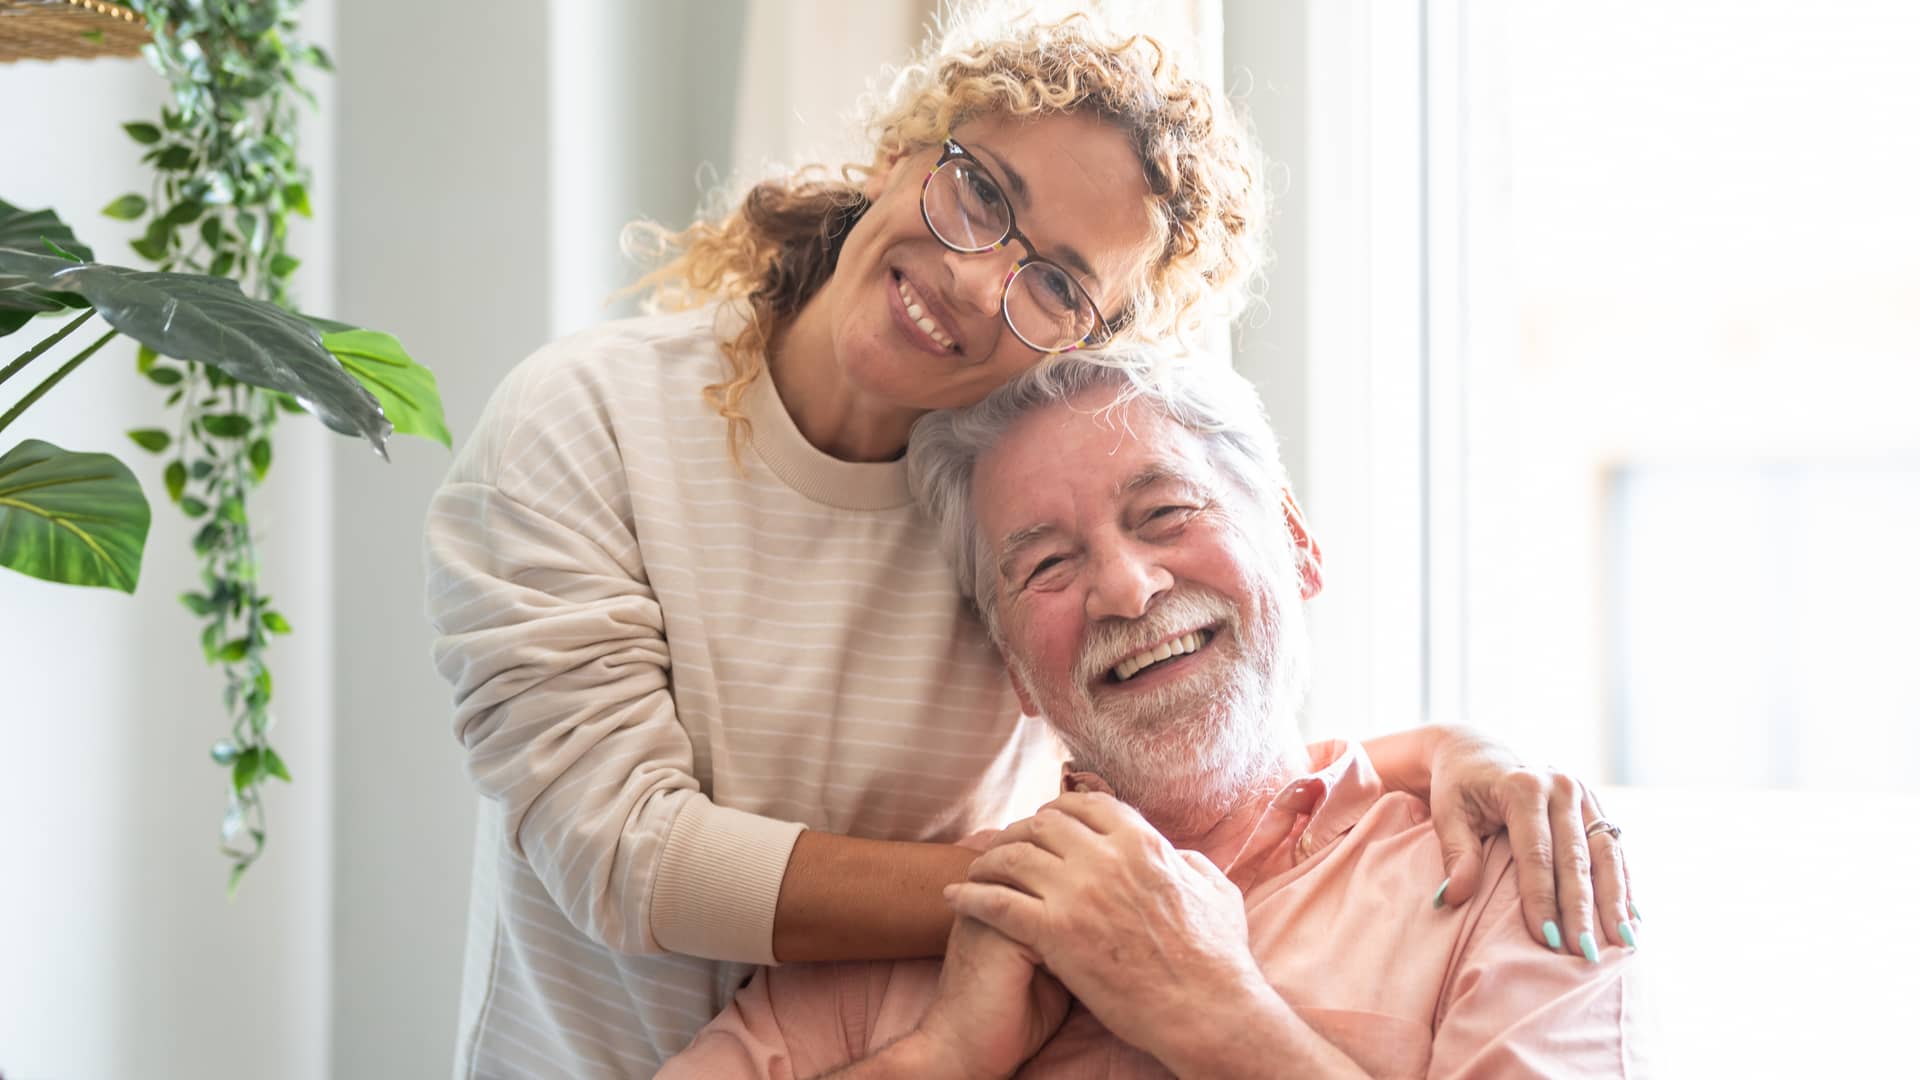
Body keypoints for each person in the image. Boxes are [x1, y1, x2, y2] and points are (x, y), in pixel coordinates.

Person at [424, 11, 1633, 1076]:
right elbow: (633, 859)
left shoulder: (1002, 509)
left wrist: (1441, 749)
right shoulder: (586, 423)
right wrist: (1089, 909)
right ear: (902, 152)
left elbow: (1177, 703)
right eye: (980, 192)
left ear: (1081, 341)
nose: (969, 275)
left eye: (1053, 280)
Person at [659, 354, 1645, 1078]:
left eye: (1167, 512)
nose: (1126, 590)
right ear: (1013, 668)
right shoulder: (938, 927)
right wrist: (946, 1058)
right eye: (1046, 565)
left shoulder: (1509, 872)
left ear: (1297, 545)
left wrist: (1212, 1010)